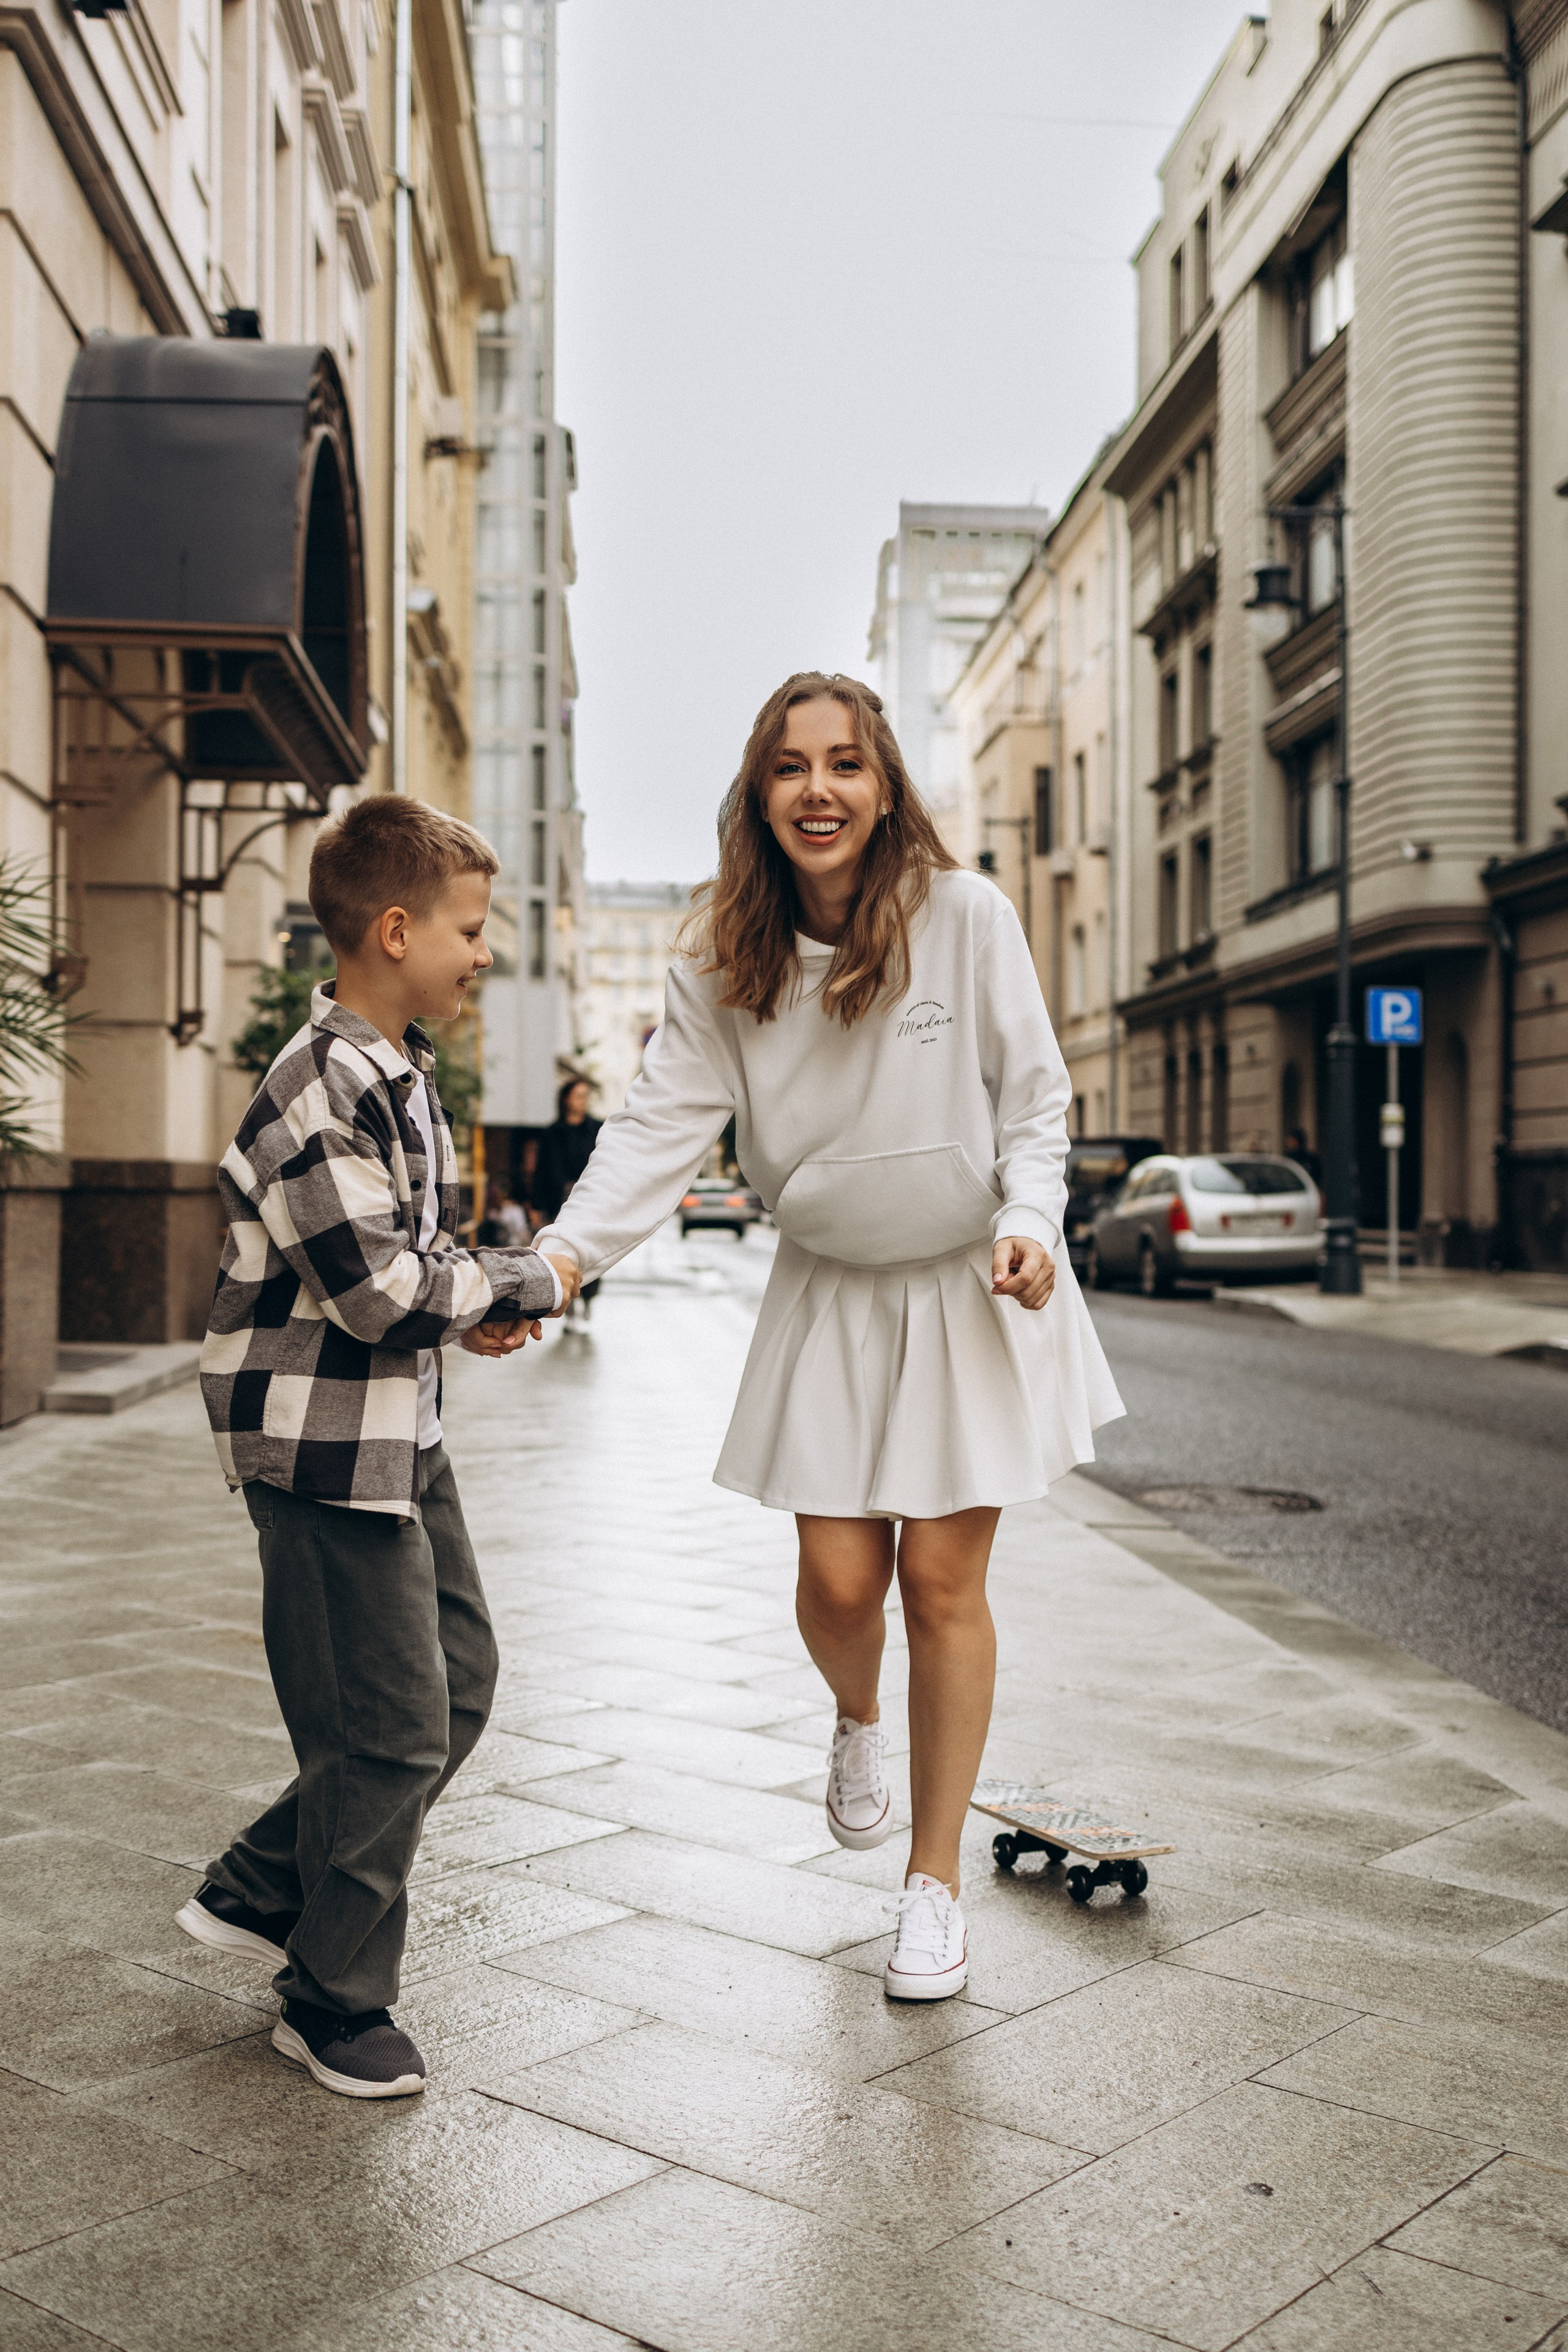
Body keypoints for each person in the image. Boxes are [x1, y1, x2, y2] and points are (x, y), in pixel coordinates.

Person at [534, 673, 1123, 1999]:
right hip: (830, 1287)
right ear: (758, 794)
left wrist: (1032, 1217)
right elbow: (653, 1134)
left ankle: (933, 1888)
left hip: (974, 1284)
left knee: (942, 1588)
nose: (820, 790)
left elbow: (1033, 1100)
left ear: (884, 786)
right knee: (842, 1586)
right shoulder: (717, 965)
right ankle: (856, 1717)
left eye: (846, 765)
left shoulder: (962, 918)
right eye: (792, 767)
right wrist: (562, 1257)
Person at [187, 796, 579, 2098]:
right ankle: (332, 1997)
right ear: (396, 930)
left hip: (393, 1429)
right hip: (316, 1447)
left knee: (456, 1684)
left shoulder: (396, 1073)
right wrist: (511, 1285)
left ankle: (262, 1881)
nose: (483, 954)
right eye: (471, 931)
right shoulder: (315, 1086)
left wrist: (457, 1315)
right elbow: (372, 1292)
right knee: (393, 1729)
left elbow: (400, 1276)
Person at [533, 1076, 603, 1323]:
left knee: (589, 1254)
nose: (583, 1101)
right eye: (579, 1096)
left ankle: (588, 1300)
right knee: (563, 1253)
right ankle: (568, 1305)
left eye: (586, 1096)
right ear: (566, 1099)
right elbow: (541, 1171)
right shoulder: (553, 1132)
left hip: (591, 1203)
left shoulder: (597, 1129)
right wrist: (536, 1205)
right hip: (558, 1202)